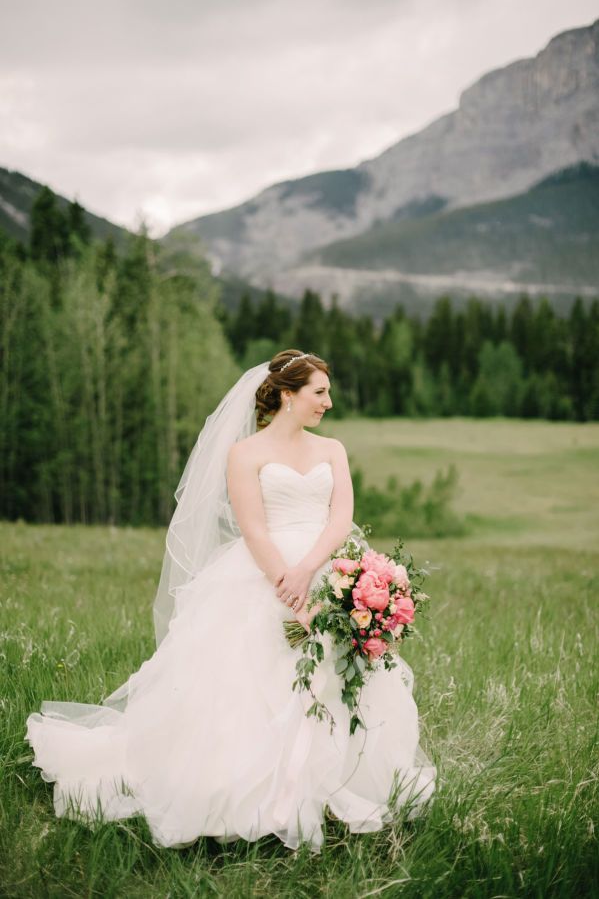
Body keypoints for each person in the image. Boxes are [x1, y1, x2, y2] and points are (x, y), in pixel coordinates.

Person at [25, 349, 436, 853]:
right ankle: (253, 793)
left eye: (327, 392)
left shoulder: (333, 450)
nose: (328, 402)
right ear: (288, 395)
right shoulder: (245, 454)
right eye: (319, 392)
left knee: (343, 678)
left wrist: (311, 572)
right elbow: (253, 526)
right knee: (251, 681)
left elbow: (340, 516)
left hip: (330, 567)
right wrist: (285, 583)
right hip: (263, 574)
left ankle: (341, 784)